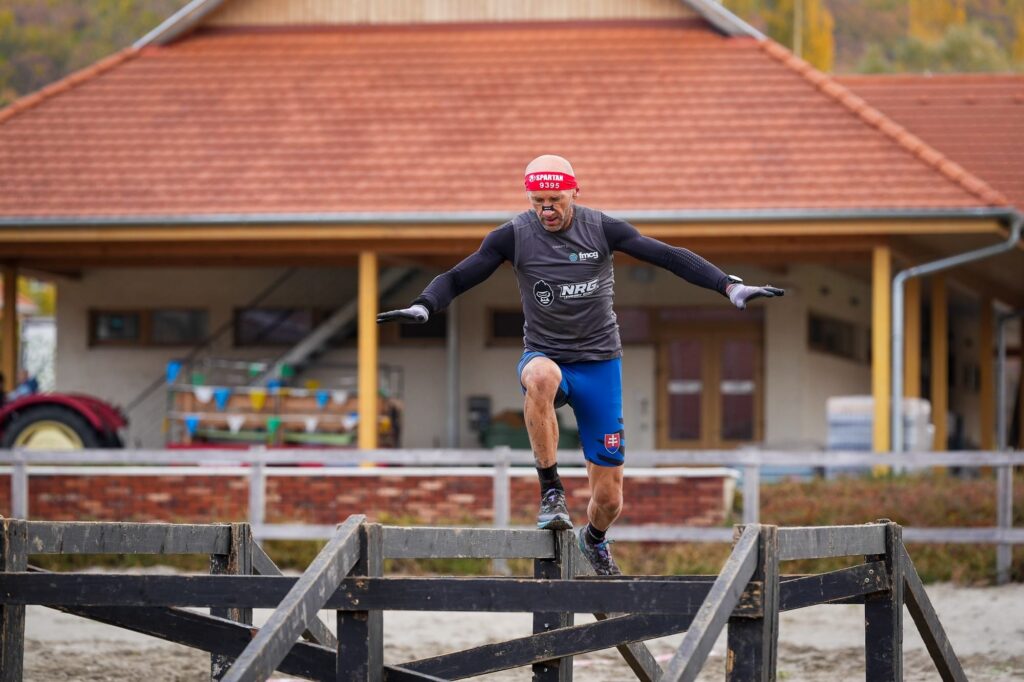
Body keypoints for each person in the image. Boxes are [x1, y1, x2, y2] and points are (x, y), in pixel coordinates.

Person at [378, 155, 784, 574]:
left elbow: (668, 256)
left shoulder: (602, 228)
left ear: (575, 191)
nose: (547, 210)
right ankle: (550, 490)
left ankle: (594, 540)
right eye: (538, 202)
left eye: (555, 200)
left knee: (609, 500)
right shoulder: (513, 236)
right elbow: (459, 276)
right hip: (546, 354)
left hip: (599, 364)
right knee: (540, 376)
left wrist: (729, 286)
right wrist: (424, 305)